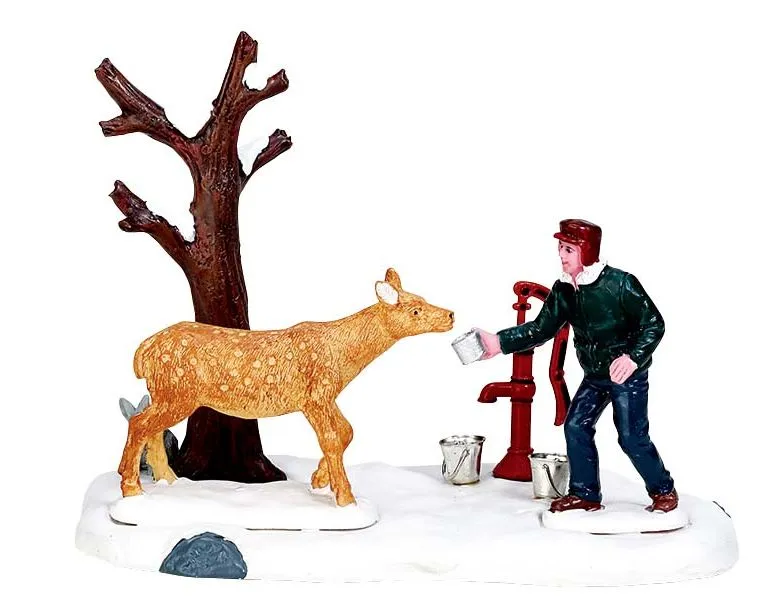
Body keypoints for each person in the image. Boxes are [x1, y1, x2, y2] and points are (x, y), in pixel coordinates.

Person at [475, 219, 678, 512]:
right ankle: (585, 494)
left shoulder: (621, 284)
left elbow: (654, 324)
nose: (561, 254)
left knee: (632, 437)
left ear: (587, 250)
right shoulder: (564, 289)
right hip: (595, 375)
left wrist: (633, 358)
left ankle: (663, 490)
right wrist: (498, 342)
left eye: (568, 249)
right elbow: (541, 329)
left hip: (627, 375)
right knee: (575, 426)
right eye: (560, 247)